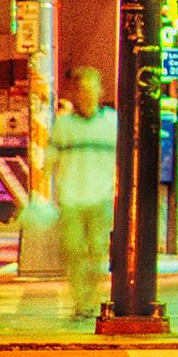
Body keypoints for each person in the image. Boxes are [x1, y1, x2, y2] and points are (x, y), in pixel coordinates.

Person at [49, 65, 118, 320]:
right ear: (75, 93)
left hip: (100, 197)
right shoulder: (64, 126)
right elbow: (50, 161)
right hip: (71, 199)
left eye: (92, 89)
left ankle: (89, 299)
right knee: (74, 252)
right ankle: (81, 302)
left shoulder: (112, 122)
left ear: (100, 91)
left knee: (97, 253)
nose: (87, 95)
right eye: (82, 90)